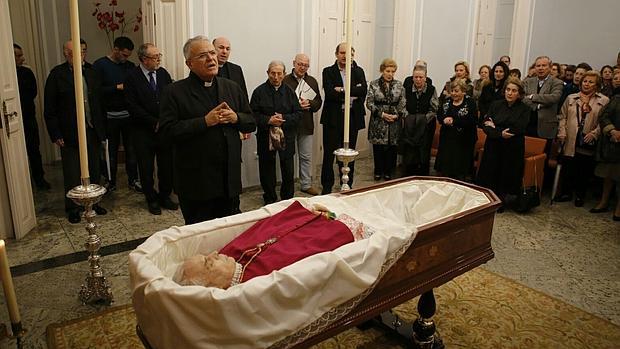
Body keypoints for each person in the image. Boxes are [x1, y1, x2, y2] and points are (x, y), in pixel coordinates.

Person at [159, 36, 256, 224]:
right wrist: (204, 121)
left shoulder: (231, 87)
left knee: (229, 234)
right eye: (203, 55)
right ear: (189, 63)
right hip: (197, 183)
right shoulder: (174, 92)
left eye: (212, 53)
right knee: (200, 239)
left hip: (229, 181)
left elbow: (251, 121)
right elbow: (166, 133)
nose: (211, 58)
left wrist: (236, 118)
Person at [176, 200, 375, 288]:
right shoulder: (260, 284)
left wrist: (307, 215)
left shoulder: (232, 253)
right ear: (215, 286)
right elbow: (309, 252)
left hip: (319, 219)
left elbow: (267, 228)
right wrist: (332, 224)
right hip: (341, 228)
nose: (213, 253)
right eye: (208, 263)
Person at [44, 40, 107, 223]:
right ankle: (72, 207)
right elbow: (50, 108)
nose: (78, 56)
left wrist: (103, 129)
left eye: (82, 52)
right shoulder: (57, 75)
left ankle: (93, 202)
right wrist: (56, 134)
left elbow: (99, 102)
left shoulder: (93, 72)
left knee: (94, 168)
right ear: (65, 54)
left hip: (92, 129)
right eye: (73, 53)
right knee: (72, 171)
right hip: (69, 132)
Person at [124, 43, 176, 215]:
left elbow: (171, 98)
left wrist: (165, 120)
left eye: (158, 55)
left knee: (166, 166)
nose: (159, 59)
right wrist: (153, 121)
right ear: (144, 60)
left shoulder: (163, 74)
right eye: (155, 57)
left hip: (164, 130)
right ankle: (151, 199)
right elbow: (132, 106)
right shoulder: (132, 77)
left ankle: (165, 196)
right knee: (146, 168)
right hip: (142, 131)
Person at [93, 36, 141, 193]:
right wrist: (116, 87)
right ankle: (110, 181)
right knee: (110, 152)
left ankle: (133, 180)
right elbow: (96, 91)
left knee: (131, 150)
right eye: (124, 55)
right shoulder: (100, 65)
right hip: (109, 117)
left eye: (128, 55)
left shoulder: (130, 66)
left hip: (129, 116)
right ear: (115, 50)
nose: (126, 58)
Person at [251, 61, 302, 205]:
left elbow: (298, 114)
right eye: (273, 73)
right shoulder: (258, 92)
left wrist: (283, 118)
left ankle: (287, 198)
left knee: (288, 168)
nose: (276, 76)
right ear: (267, 73)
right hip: (265, 136)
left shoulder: (290, 92)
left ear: (284, 74)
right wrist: (268, 120)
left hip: (287, 136)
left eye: (279, 73)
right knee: (266, 168)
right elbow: (252, 115)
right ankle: (270, 197)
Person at [555, 71, 609, 207]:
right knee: (569, 167)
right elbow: (562, 116)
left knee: (583, 169)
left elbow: (604, 121)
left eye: (591, 82)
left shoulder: (604, 100)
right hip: (570, 138)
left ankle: (580, 195)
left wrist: (595, 133)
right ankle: (566, 193)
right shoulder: (571, 98)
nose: (587, 84)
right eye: (585, 81)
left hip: (587, 139)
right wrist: (562, 132)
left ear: (596, 85)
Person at [320, 43, 368, 194]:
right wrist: (350, 92)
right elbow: (329, 93)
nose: (345, 56)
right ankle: (327, 187)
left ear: (353, 55)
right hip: (333, 118)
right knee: (329, 154)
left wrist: (341, 89)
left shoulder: (359, 71)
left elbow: (363, 91)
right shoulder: (328, 71)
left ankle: (347, 185)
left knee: (349, 153)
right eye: (342, 53)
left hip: (352, 117)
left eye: (349, 53)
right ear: (336, 54)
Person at [476, 77, 530, 206]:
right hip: (494, 145)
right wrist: (499, 132)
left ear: (519, 93)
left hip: (511, 148)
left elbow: (518, 127)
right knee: (491, 171)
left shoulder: (525, 109)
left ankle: (501, 199)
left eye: (514, 91)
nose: (510, 93)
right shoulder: (496, 105)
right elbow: (486, 123)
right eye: (508, 90)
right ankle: (488, 198)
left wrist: (496, 126)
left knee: (506, 174)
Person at [213, 36, 249, 214]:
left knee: (234, 165)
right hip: (213, 127)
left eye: (227, 48)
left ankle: (235, 206)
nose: (224, 51)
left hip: (234, 125)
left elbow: (243, 97)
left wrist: (243, 122)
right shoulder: (208, 70)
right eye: (220, 47)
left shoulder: (236, 70)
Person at [283, 53, 323, 196]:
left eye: (306, 65)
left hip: (306, 124)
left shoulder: (312, 81)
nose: (302, 67)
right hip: (288, 125)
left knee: (306, 156)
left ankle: (306, 184)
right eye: (300, 64)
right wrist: (295, 105)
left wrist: (310, 103)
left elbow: (318, 102)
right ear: (293, 63)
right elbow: (280, 103)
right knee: (287, 158)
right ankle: (287, 188)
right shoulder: (284, 80)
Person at [14, 43, 50, 190]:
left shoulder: (26, 73)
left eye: (21, 55)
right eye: (18, 55)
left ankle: (39, 179)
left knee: (34, 150)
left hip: (28, 117)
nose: (22, 58)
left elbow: (32, 92)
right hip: (13, 119)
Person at [365, 58, 406, 180]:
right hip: (378, 120)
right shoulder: (374, 84)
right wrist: (381, 114)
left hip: (394, 120)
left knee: (392, 148)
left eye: (393, 71)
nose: (390, 74)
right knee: (378, 148)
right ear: (382, 70)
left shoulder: (399, 85)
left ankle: (389, 171)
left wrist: (397, 114)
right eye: (388, 71)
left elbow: (403, 101)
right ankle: (378, 170)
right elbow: (369, 102)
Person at [434, 79, 478, 180]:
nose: (454, 93)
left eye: (457, 91)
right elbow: (439, 115)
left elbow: (472, 120)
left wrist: (454, 121)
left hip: (464, 141)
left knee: (459, 172)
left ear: (463, 91)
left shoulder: (470, 102)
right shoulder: (446, 101)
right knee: (445, 170)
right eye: (452, 91)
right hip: (447, 139)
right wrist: (444, 119)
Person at [590, 75, 620, 221]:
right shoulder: (616, 98)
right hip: (612, 142)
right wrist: (612, 130)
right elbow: (604, 115)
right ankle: (603, 201)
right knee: (609, 175)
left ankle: (619, 208)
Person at [522, 56, 564, 157]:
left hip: (545, 127)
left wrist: (533, 96)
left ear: (550, 67)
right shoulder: (528, 81)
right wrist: (537, 106)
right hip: (528, 124)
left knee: (541, 158)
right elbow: (523, 98)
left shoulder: (557, 82)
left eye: (544, 65)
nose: (540, 68)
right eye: (538, 66)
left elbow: (554, 98)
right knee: (524, 155)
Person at [402, 65, 438, 176]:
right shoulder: (406, 89)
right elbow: (402, 106)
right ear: (412, 78)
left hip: (427, 125)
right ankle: (408, 175)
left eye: (421, 77)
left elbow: (434, 108)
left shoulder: (432, 90)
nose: (418, 79)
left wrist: (422, 120)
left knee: (423, 151)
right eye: (416, 77)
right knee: (410, 150)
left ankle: (422, 175)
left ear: (425, 78)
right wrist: (409, 119)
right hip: (409, 125)